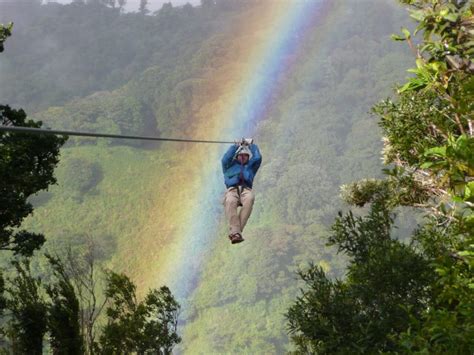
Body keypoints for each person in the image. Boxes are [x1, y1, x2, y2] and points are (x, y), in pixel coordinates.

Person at [221, 138, 262, 244]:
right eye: (241, 155)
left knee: (250, 198)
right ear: (237, 156)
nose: (243, 157)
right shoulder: (229, 166)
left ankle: (235, 232)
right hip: (232, 189)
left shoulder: (251, 167)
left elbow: (258, 158)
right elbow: (225, 159)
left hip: (245, 189)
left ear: (248, 157)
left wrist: (251, 145)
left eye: (246, 156)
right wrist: (235, 146)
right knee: (230, 201)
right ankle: (236, 233)